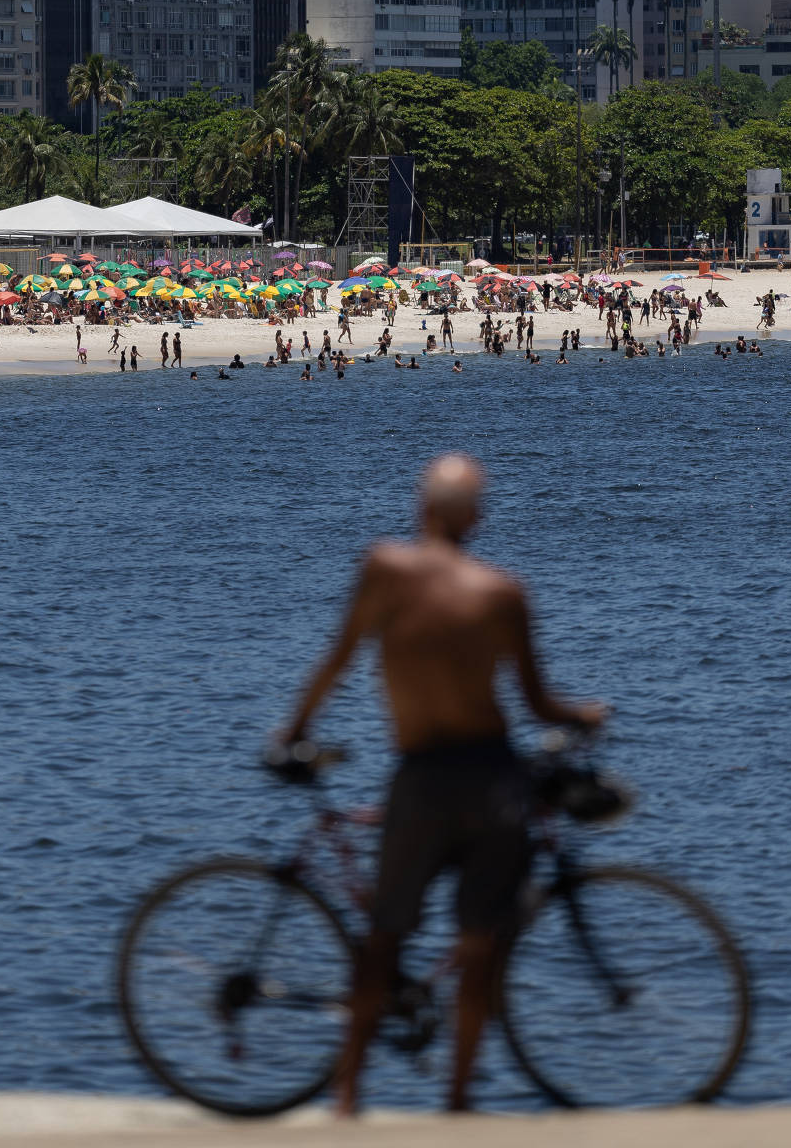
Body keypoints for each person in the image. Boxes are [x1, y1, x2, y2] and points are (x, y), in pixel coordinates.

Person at [278, 455, 606, 1117]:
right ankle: (457, 1100)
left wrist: (295, 730)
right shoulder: (504, 591)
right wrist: (587, 714)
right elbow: (540, 704)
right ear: (477, 519)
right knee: (481, 943)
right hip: (491, 774)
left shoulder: (385, 569)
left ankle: (347, 1097)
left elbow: (339, 658)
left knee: (384, 938)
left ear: (422, 509)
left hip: (423, 775)